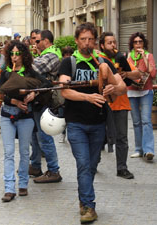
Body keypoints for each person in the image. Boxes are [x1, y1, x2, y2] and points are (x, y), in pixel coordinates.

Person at [58, 22, 126, 223]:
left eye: (90, 39)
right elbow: (64, 90)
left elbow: (122, 86)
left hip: (98, 122)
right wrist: (88, 97)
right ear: (77, 40)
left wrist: (113, 89)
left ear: (95, 41)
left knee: (91, 164)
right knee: (83, 163)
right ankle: (89, 206)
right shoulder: (69, 62)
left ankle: (83, 198)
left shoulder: (102, 62)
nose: (86, 43)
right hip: (76, 122)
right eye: (83, 39)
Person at [0, 40, 51, 202]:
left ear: (24, 55)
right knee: (8, 153)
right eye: (12, 54)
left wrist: (34, 94)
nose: (15, 57)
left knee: (24, 152)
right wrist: (15, 102)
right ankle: (9, 188)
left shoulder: (30, 72)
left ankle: (23, 184)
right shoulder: (5, 72)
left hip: (26, 117)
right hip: (7, 115)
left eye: (18, 54)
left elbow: (47, 84)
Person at [99, 32, 141, 179]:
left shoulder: (120, 58)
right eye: (109, 43)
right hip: (102, 103)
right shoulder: (98, 59)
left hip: (121, 103)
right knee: (98, 135)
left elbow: (137, 74)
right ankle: (94, 162)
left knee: (122, 137)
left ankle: (122, 168)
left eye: (114, 42)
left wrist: (125, 75)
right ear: (102, 45)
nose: (113, 45)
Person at [29, 30, 62, 184]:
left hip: (45, 101)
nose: (35, 44)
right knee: (35, 135)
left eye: (37, 41)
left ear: (46, 41)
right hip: (38, 101)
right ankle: (36, 166)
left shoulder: (53, 55)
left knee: (44, 137)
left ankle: (54, 170)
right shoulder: (45, 54)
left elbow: (33, 69)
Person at [127, 32, 156, 160]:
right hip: (132, 91)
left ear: (144, 43)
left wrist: (144, 57)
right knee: (136, 122)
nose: (138, 44)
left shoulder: (149, 56)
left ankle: (148, 150)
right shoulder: (129, 56)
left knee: (146, 121)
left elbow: (153, 73)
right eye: (135, 42)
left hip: (146, 91)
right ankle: (139, 149)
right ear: (132, 44)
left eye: (140, 42)